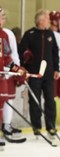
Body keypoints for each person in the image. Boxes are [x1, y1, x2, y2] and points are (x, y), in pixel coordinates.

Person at [18, 9, 60, 139]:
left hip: (48, 75)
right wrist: (25, 66)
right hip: (34, 74)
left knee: (50, 101)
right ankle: (36, 128)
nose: (49, 20)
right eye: (47, 18)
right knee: (35, 102)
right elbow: (21, 53)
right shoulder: (29, 34)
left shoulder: (50, 34)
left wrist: (56, 69)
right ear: (40, 20)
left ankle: (51, 127)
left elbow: (55, 52)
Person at [0, 7, 27, 147]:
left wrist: (17, 69)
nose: (4, 20)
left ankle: (5, 127)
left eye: (4, 17)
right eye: (2, 17)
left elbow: (7, 57)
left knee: (2, 102)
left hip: (2, 76)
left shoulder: (4, 35)